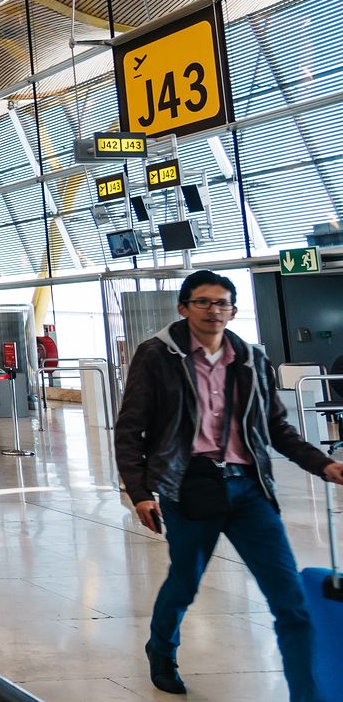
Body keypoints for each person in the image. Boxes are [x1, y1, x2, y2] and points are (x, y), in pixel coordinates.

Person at [115, 270, 343, 699]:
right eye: (202, 302)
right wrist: (141, 494)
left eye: (222, 303)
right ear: (183, 308)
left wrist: (323, 465)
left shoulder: (252, 358)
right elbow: (131, 430)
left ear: (233, 311)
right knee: (185, 582)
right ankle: (161, 649)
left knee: (291, 603)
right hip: (188, 486)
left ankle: (306, 695)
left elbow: (276, 427)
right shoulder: (157, 355)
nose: (213, 310)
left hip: (249, 488)